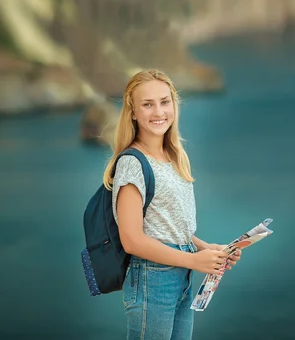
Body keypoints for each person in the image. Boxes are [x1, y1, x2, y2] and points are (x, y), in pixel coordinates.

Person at [103, 69, 242, 340]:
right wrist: (193, 259)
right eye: (147, 104)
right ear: (133, 112)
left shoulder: (173, 156)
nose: (159, 112)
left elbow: (167, 224)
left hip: (181, 277)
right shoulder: (133, 163)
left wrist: (208, 250)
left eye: (165, 102)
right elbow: (131, 240)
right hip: (152, 279)